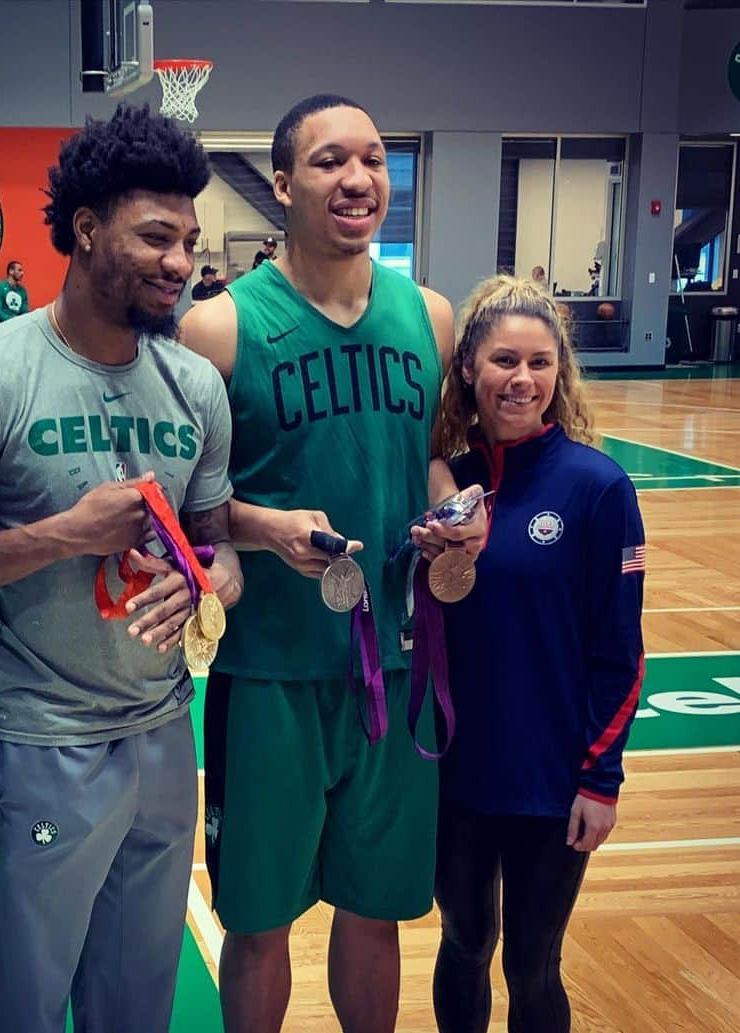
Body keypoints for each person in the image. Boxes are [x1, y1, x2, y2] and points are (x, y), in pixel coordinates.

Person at [179, 94, 485, 1033]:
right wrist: (263, 527)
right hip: (271, 670)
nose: (358, 179)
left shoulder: (428, 316)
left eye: (375, 160)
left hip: (396, 663)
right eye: (328, 162)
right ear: (280, 185)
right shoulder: (220, 328)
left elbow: (433, 455)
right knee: (259, 919)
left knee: (376, 907)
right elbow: (181, 506)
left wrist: (455, 515)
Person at [0, 103, 243, 1033]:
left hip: (160, 736)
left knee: (136, 1007)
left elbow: (218, 544)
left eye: (189, 240)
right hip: (35, 740)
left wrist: (209, 578)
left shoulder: (195, 387)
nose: (179, 263)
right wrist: (67, 534)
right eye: (155, 236)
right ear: (84, 228)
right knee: (22, 1007)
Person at [426, 276, 645, 1033]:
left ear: (560, 373)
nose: (522, 379)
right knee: (462, 942)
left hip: (553, 781)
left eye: (541, 362)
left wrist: (601, 778)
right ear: (468, 371)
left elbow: (621, 651)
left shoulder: (598, 487)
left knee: (531, 962)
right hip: (457, 773)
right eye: (504, 361)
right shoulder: (448, 481)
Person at [0, 259, 28, 323]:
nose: (22, 273)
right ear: (11, 271)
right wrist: (11, 320)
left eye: (22, 271)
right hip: (0, 324)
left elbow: (24, 312)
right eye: (19, 270)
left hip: (16, 325)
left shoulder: (22, 291)